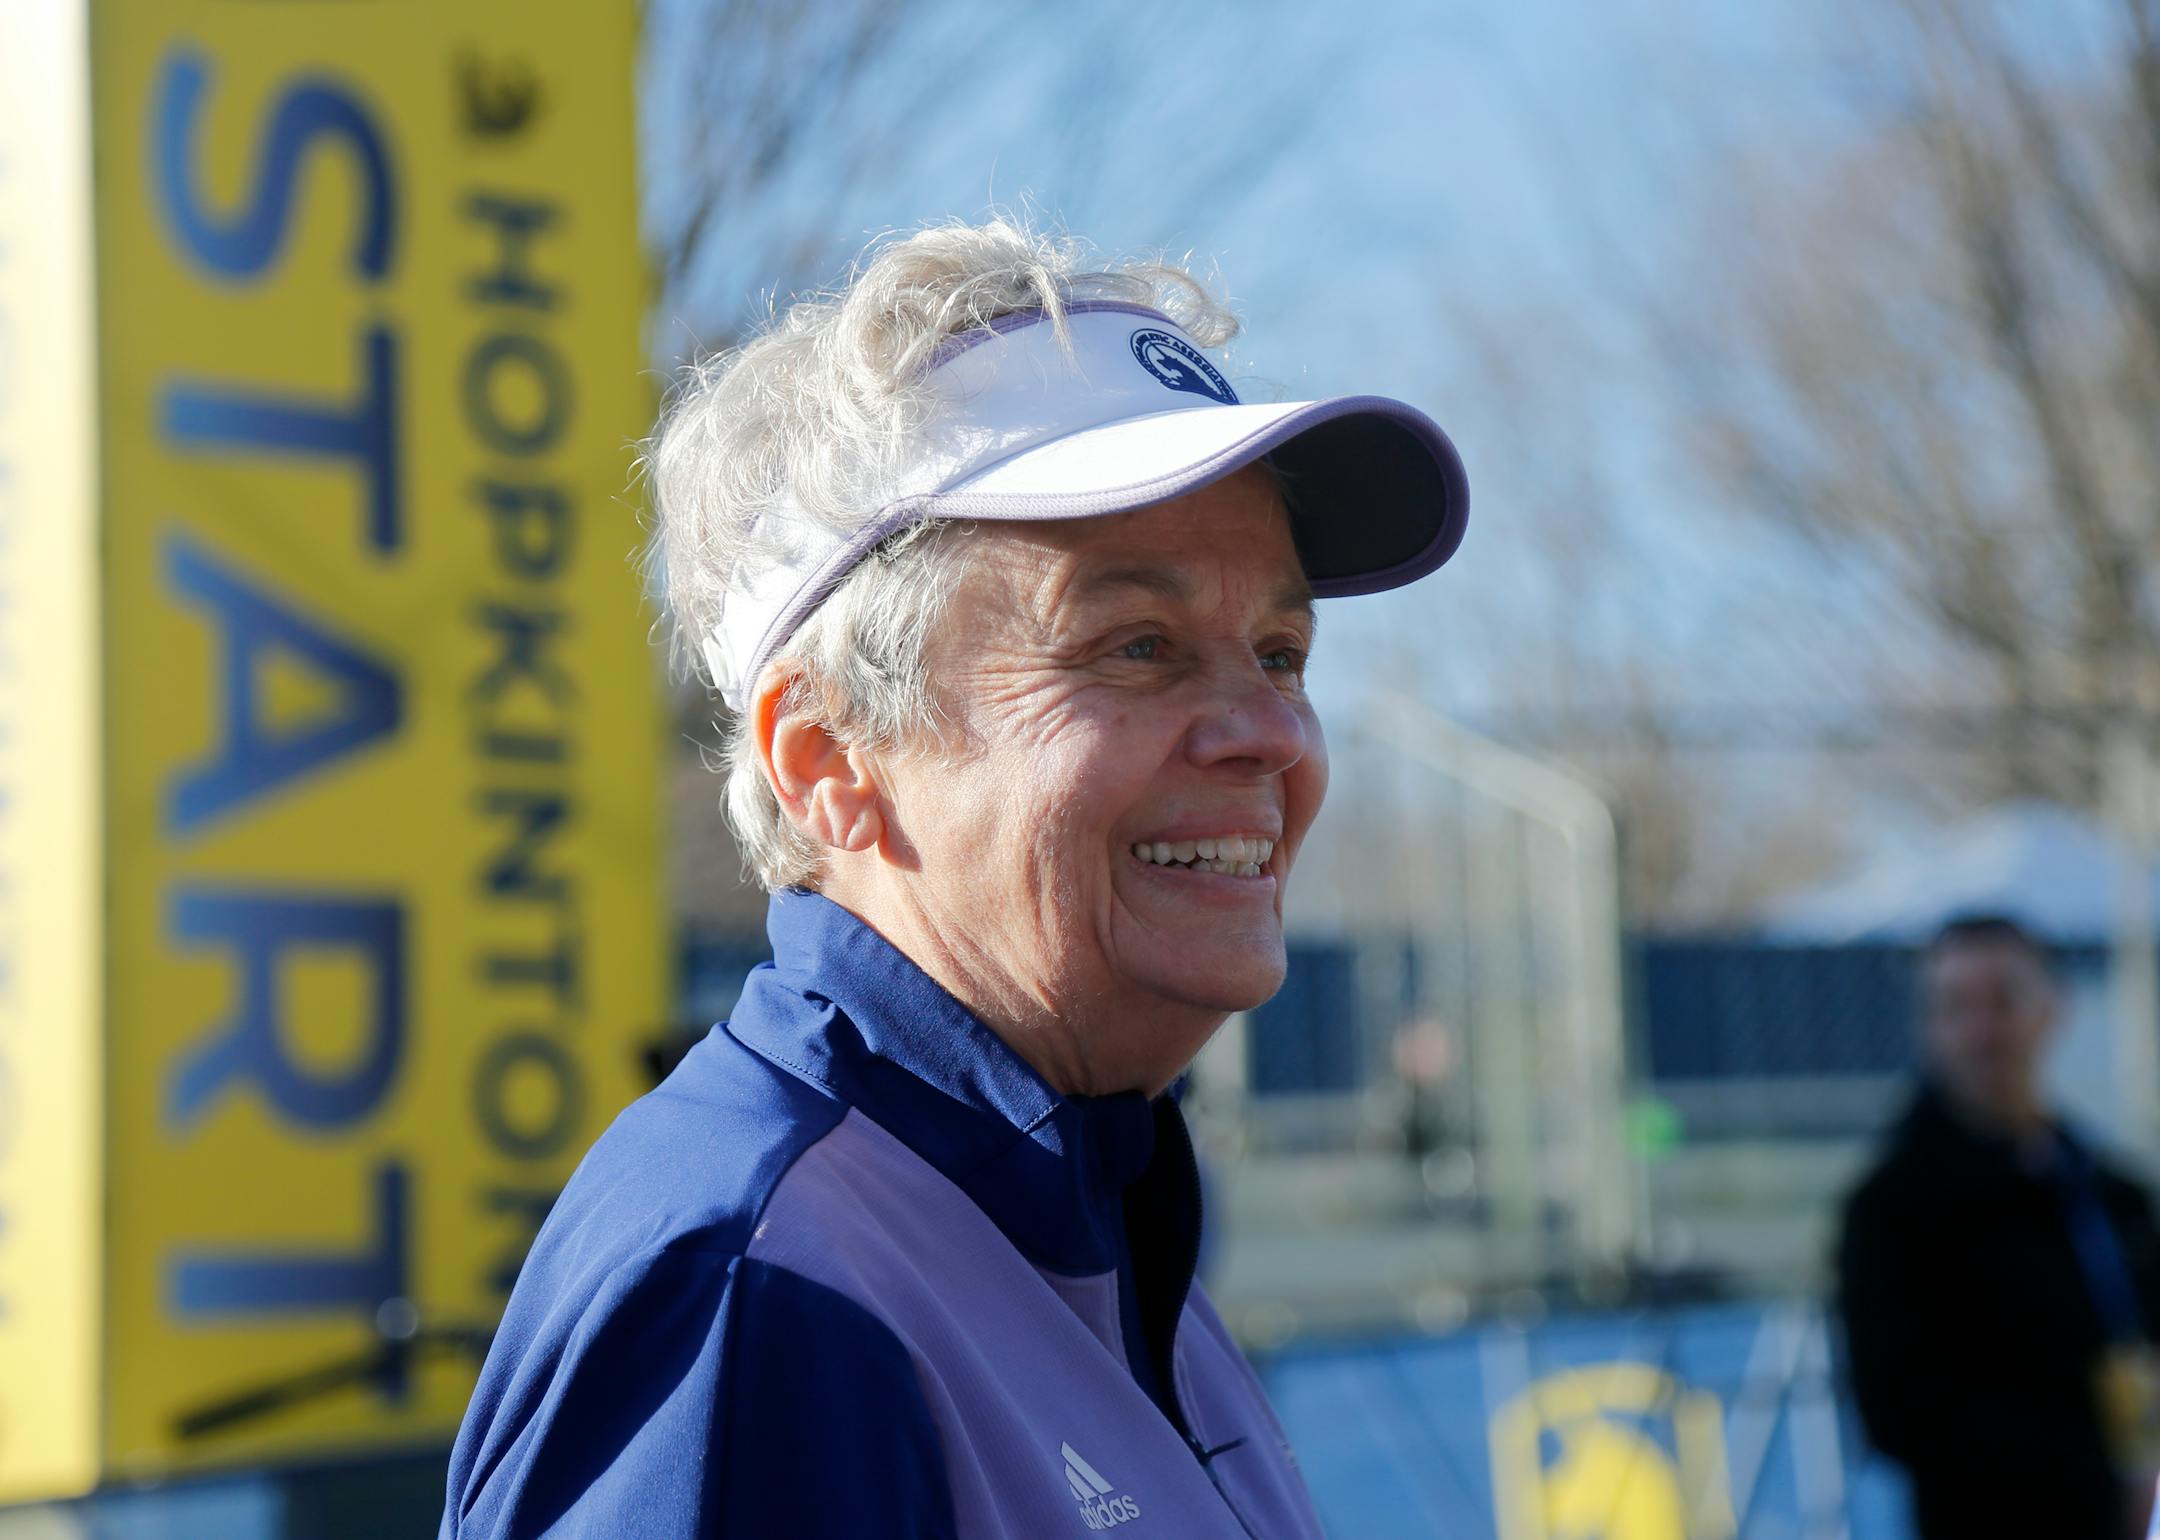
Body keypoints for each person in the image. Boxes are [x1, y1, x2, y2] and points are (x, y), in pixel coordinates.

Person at [437, 218, 1470, 1538]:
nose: (1266, 732)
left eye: (1278, 651)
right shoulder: (766, 1291)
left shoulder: (1089, 1230)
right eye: (1137, 645)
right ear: (829, 759)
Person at [1837, 914, 2160, 1540]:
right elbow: (1902, 1415)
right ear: (1929, 1026)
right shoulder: (1893, 1209)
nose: (1982, 1030)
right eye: (1956, 1005)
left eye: (2003, 1000)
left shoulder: (2107, 1191)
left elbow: (2140, 1340)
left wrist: (2140, 1472)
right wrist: (2086, 1465)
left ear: (2052, 1010)